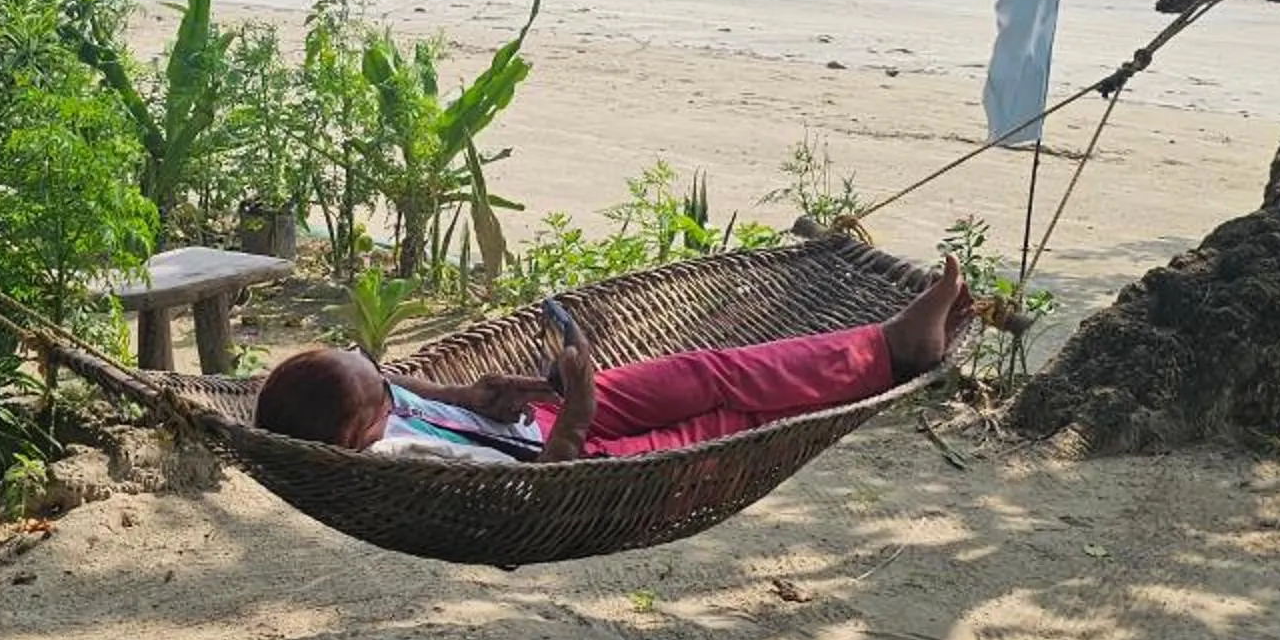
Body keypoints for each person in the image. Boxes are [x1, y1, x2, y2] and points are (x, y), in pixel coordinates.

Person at [254, 257, 977, 463]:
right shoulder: (403, 464)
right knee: (729, 419)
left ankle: (887, 345)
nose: (385, 376)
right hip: (582, 461)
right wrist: (578, 403)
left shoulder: (368, 398)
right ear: (361, 430)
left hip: (542, 412)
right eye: (377, 384)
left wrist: (491, 389)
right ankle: (884, 363)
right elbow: (548, 477)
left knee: (709, 372)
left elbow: (433, 397)